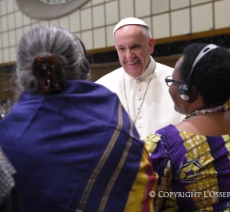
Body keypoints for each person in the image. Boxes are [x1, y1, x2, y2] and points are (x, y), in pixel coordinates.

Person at [0, 25, 157, 212]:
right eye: (122, 48)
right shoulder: (113, 116)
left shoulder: (5, 136)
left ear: (21, 75)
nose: (128, 55)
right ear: (82, 69)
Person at [145, 43, 230, 212]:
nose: (170, 87)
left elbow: (149, 204)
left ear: (187, 90)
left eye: (173, 81)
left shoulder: (166, 143)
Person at [96, 17, 184, 140]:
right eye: (122, 49)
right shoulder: (102, 87)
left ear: (150, 45)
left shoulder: (178, 83)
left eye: (135, 47)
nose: (129, 56)